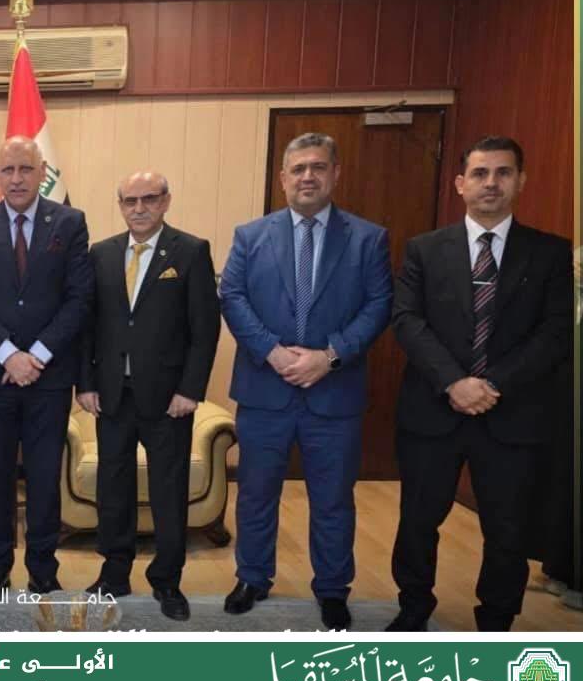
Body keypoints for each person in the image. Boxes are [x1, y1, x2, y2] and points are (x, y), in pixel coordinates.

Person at [388, 136, 572, 631]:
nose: (491, 183)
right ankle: (413, 608)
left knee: (507, 529)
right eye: (480, 173)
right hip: (433, 410)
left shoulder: (550, 253)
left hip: (512, 413)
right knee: (418, 520)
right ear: (460, 183)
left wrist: (488, 385)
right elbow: (407, 320)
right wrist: (453, 382)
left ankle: (496, 620)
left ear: (520, 181)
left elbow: (555, 334)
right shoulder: (425, 249)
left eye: (503, 173)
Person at [219, 131, 392, 630]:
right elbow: (232, 297)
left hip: (333, 393)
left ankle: (333, 588)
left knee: (333, 499)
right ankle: (253, 577)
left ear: (335, 173)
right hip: (265, 390)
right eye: (298, 169)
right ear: (283, 178)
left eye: (317, 167)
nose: (307, 176)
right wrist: (272, 352)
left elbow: (379, 304)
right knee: (256, 494)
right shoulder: (251, 235)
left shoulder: (368, 238)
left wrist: (330, 356)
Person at [76, 171, 220, 620]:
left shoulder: (190, 251)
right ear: (120, 205)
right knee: (113, 488)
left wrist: (190, 390)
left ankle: (167, 580)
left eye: (149, 199)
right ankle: (114, 573)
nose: (139, 208)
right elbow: (87, 325)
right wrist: (86, 383)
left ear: (166, 201)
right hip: (112, 395)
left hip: (168, 399)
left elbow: (205, 329)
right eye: (129, 200)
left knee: (168, 491)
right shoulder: (101, 253)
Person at [0, 136, 91, 604]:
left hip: (47, 378)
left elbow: (79, 299)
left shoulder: (70, 223)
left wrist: (35, 354)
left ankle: (42, 572)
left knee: (43, 479)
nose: (16, 179)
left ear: (42, 173)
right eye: (8, 170)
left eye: (26, 169)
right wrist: (8, 354)